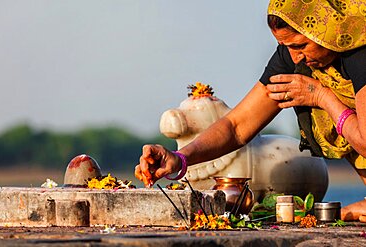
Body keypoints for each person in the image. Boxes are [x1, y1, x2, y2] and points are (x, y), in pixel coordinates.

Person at [135, 0, 366, 222]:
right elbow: (236, 127)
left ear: (327, 30)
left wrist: (321, 96)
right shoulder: (295, 57)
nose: (296, 57)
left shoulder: (360, 53)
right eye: (287, 47)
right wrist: (180, 158)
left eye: (300, 45)